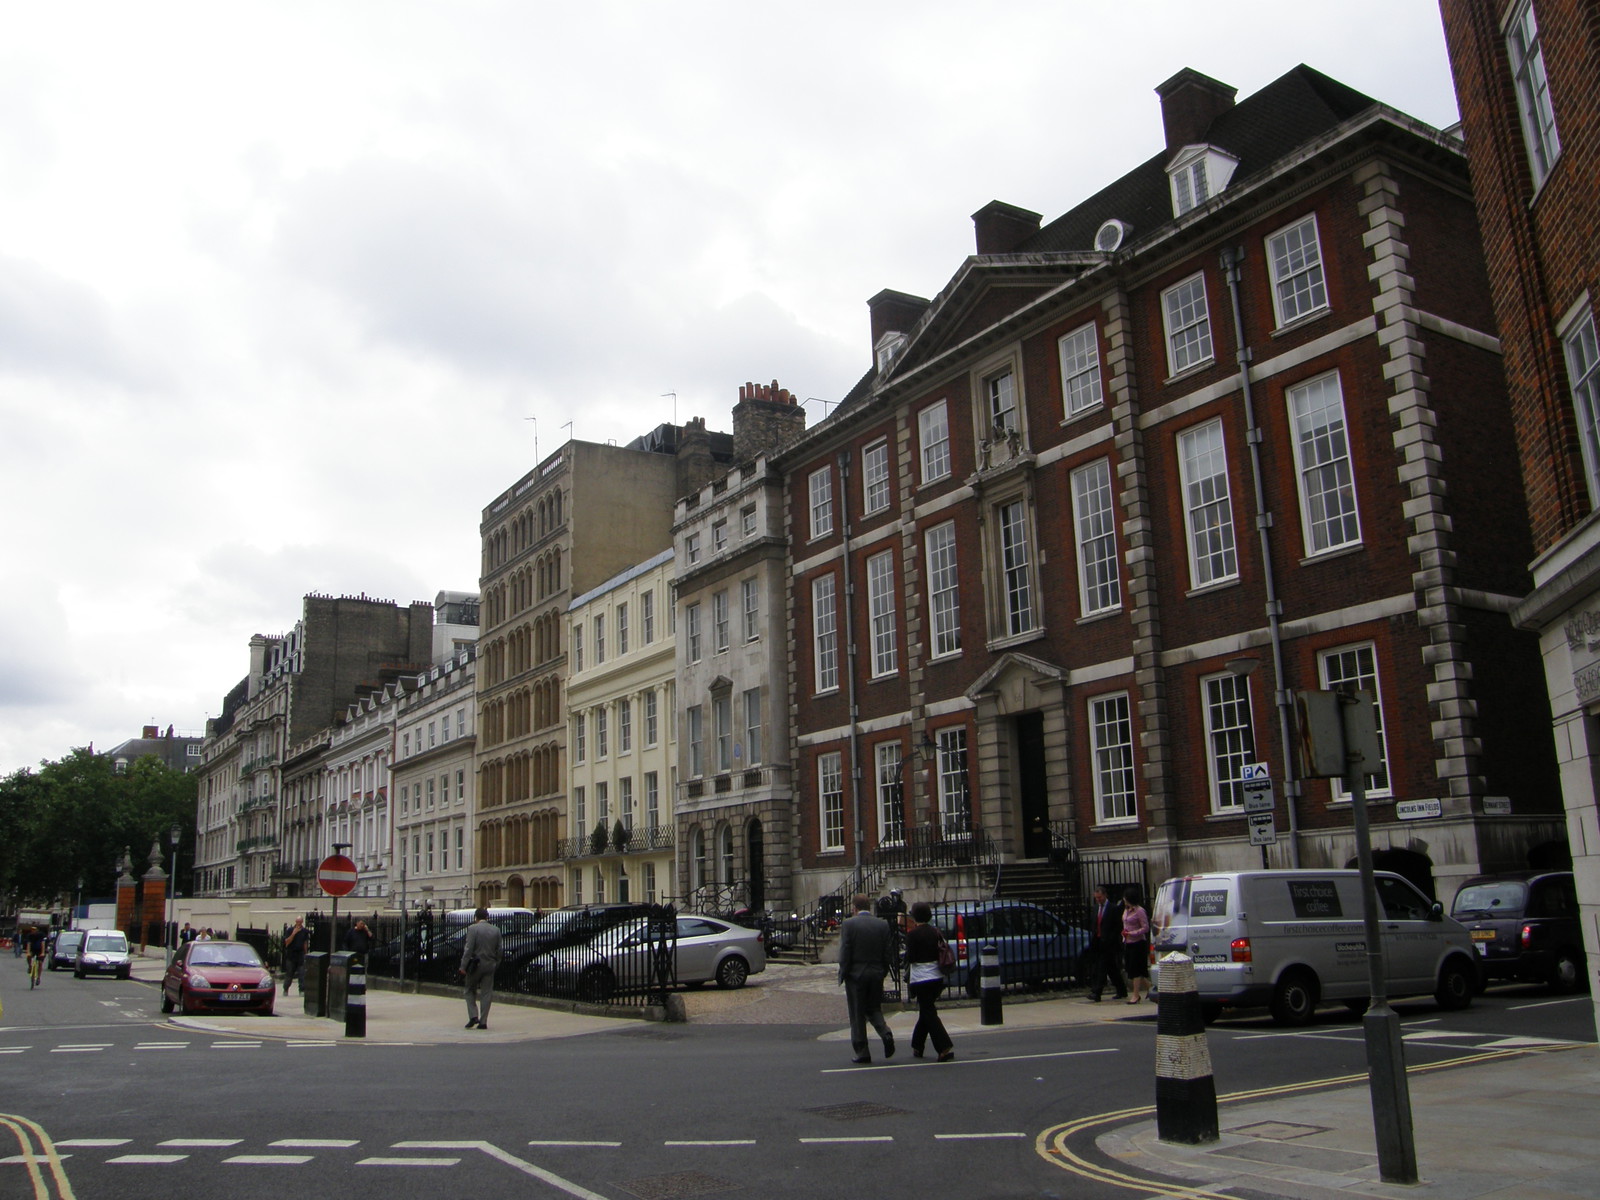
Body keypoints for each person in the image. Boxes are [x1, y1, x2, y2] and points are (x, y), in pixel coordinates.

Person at [836, 893, 895, 1064]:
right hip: (876, 972)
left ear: (854, 908)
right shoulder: (882, 924)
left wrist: (843, 972)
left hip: (856, 974)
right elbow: (887, 952)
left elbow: (845, 951)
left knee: (857, 1013)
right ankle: (885, 1032)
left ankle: (862, 1050)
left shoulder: (849, 924)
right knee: (874, 1008)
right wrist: (883, 971)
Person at [903, 902, 955, 1062]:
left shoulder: (912, 935)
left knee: (929, 1012)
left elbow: (910, 958)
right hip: (937, 977)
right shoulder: (936, 932)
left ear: (914, 916)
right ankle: (917, 1045)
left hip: (921, 978)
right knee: (926, 1010)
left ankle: (943, 1047)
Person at [459, 907, 503, 1029]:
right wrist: (496, 963)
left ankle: (473, 1015)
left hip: (476, 965)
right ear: (487, 917)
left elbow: (468, 949)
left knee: (469, 990)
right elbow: (499, 950)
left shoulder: (473, 929)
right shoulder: (496, 930)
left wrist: (463, 966)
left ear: (476, 917)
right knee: (486, 993)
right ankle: (483, 1021)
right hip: (490, 964)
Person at [1084, 885, 1128, 1003]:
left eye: (1100, 897)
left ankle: (1097, 992)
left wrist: (1111, 939)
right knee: (1111, 968)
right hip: (1097, 941)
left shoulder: (1112, 908)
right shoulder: (1095, 908)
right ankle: (1122, 990)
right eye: (1096, 898)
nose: (1098, 900)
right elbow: (1093, 923)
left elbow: (1117, 926)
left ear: (1105, 895)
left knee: (1102, 968)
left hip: (1109, 942)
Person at [1122, 885, 1151, 1004]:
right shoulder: (1126, 910)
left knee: (1136, 970)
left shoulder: (1140, 911)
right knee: (1133, 969)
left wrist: (1133, 933)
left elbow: (1145, 928)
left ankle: (1135, 995)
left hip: (1138, 943)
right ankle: (1152, 989)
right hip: (1128, 942)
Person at [282, 917, 308, 994]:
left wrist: (305, 953)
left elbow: (305, 943)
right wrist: (294, 933)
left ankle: (302, 989)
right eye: (297, 922)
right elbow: (287, 943)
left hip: (300, 954)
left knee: (302, 973)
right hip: (291, 954)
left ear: (302, 922)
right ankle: (286, 989)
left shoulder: (304, 931)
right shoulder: (290, 930)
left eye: (300, 922)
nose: (298, 923)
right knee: (289, 973)